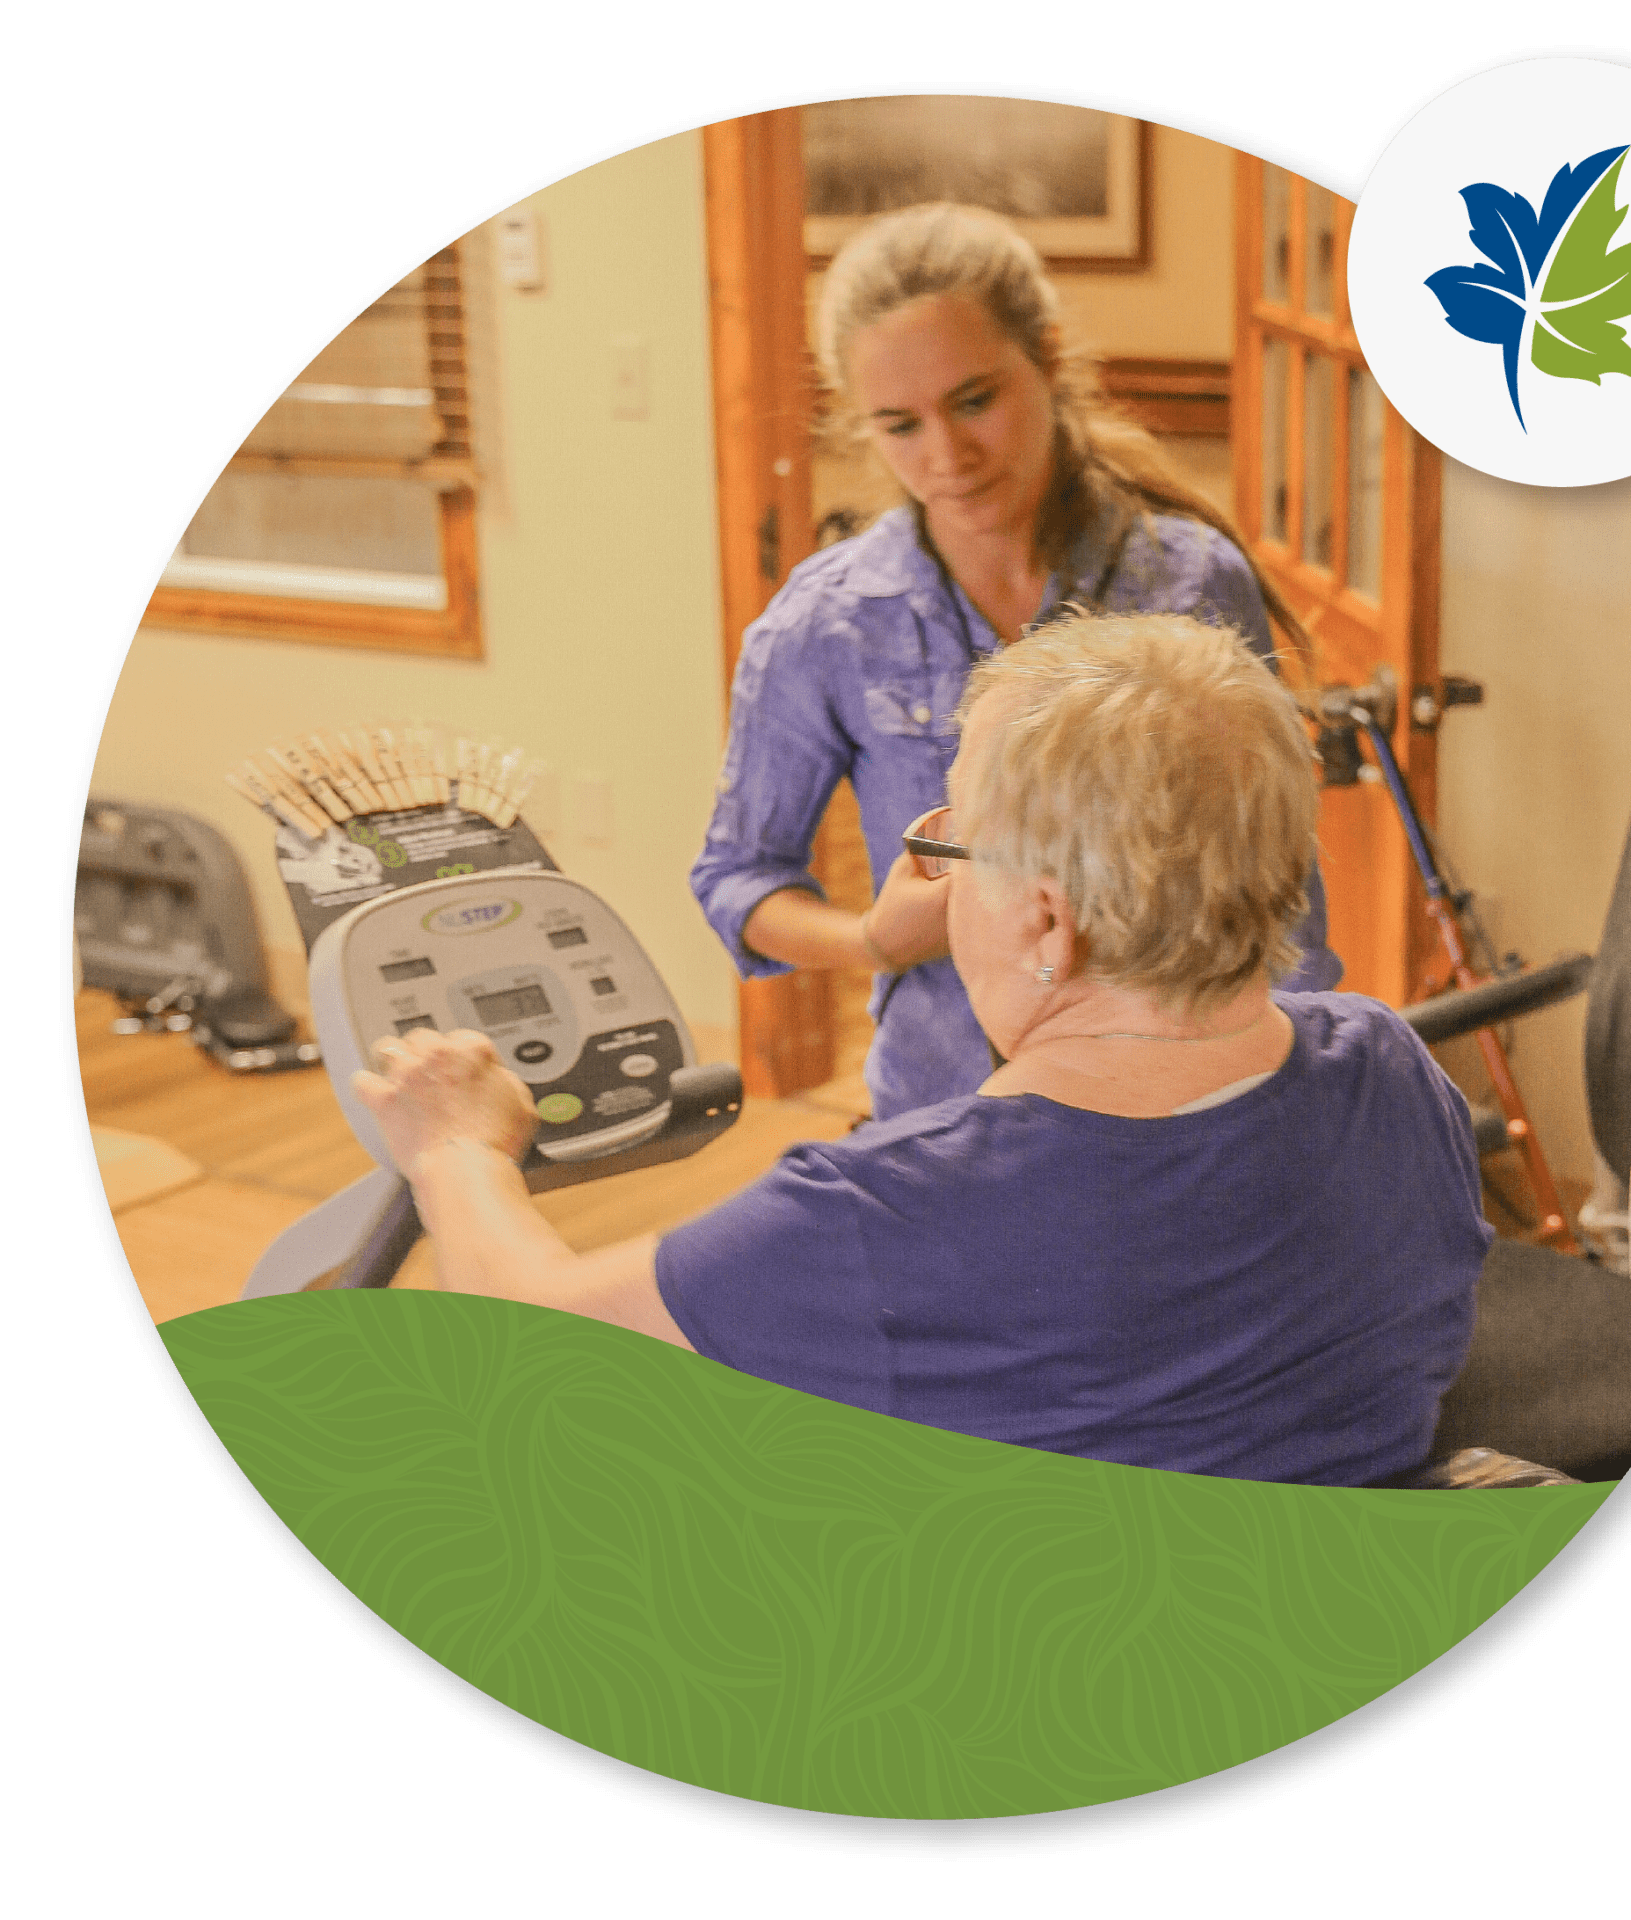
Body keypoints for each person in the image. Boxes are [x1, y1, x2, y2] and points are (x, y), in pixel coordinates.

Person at [357, 614, 1488, 1488]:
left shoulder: (884, 1212)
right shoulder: (1391, 1066)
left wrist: (456, 1151)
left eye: (951, 840)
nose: (934, 876)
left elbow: (538, 1330)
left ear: (1046, 922)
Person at [691, 202, 1342, 1121]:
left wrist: (1295, 1094)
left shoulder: (1189, 580)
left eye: (973, 401)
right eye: (899, 424)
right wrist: (876, 939)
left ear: (1046, 356)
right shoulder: (825, 625)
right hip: (944, 1113)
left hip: (1193, 1111)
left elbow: (1282, 883)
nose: (948, 456)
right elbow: (738, 878)